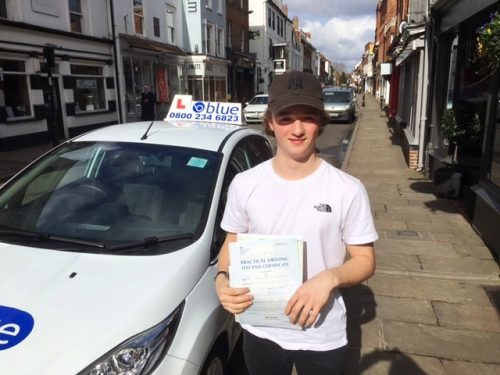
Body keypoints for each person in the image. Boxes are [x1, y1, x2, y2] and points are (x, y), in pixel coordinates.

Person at [214, 71, 378, 375]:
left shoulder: (347, 188)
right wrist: (222, 278)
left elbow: (365, 260)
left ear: (321, 120)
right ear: (271, 122)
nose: (298, 129)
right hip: (261, 328)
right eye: (286, 117)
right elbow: (232, 242)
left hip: (321, 334)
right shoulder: (244, 183)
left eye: (308, 117)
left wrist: (329, 278)